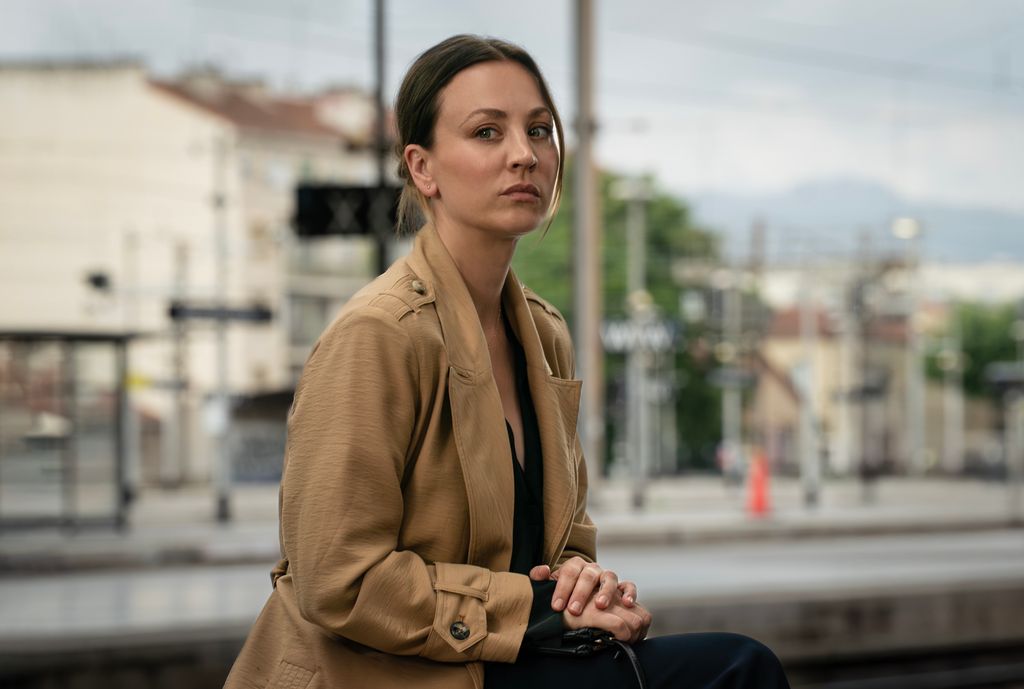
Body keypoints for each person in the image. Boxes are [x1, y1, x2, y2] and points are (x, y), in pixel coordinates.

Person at [224, 34, 791, 689]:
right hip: (386, 675)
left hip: (500, 664)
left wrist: (581, 584)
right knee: (737, 670)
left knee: (734, 665)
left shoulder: (545, 335)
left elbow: (564, 540)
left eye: (539, 130)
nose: (524, 154)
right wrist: (534, 608)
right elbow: (338, 577)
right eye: (487, 132)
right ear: (423, 168)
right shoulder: (378, 335)